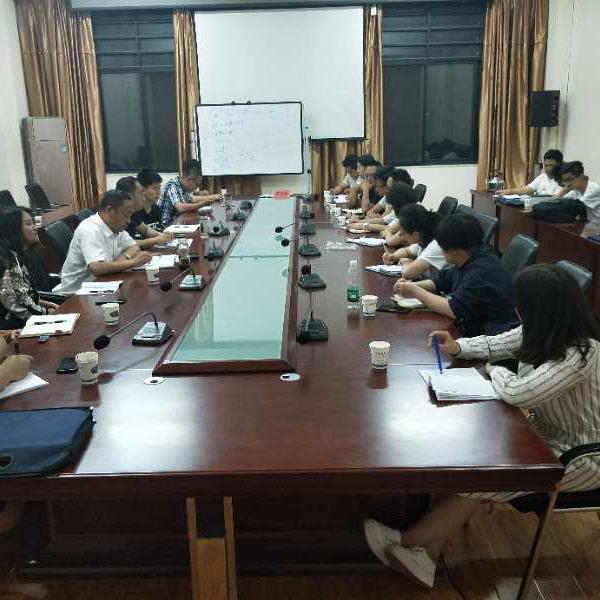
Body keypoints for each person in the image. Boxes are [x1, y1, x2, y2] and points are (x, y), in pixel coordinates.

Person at [364, 264, 600, 589]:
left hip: (584, 456)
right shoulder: (545, 329)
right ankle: (426, 554)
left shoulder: (581, 353)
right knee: (472, 458)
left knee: (487, 475)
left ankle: (405, 541)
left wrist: (494, 370)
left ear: (540, 309)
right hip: (544, 435)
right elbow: (497, 343)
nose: (517, 311)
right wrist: (458, 347)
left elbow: (519, 392)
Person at [394, 214, 518, 336]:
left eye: (442, 248)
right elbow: (442, 281)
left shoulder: (481, 271)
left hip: (488, 336)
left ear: (454, 251)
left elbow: (454, 310)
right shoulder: (470, 256)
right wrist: (412, 286)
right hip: (471, 326)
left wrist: (416, 292)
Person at [53, 190, 151, 294]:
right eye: (126, 215)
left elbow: (134, 246)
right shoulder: (90, 229)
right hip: (76, 293)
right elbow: (97, 268)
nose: (129, 221)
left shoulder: (115, 226)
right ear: (109, 210)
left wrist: (121, 260)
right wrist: (133, 262)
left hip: (102, 284)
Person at [0, 208, 59, 330]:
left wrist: (46, 304)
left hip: (25, 318)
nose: (35, 227)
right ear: (14, 230)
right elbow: (18, 303)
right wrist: (46, 314)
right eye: (28, 224)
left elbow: (25, 294)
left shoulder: (18, 257)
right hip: (13, 327)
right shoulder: (9, 262)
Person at [382, 204, 447, 280]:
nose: (399, 235)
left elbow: (407, 273)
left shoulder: (436, 245)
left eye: (402, 232)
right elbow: (407, 251)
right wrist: (393, 257)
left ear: (415, 234)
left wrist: (406, 262)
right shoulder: (422, 237)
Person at [158, 159, 220, 227]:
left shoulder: (182, 186)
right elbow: (180, 207)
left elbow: (192, 199)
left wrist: (216, 197)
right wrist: (202, 204)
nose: (197, 188)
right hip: (166, 226)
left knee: (202, 214)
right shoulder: (173, 186)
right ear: (190, 180)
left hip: (175, 221)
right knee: (194, 217)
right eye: (197, 185)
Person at [115, 176, 172, 249]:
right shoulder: (118, 216)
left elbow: (145, 229)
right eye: (141, 193)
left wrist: (162, 236)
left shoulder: (133, 213)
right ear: (129, 196)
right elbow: (125, 244)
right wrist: (155, 240)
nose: (144, 197)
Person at [497, 149, 563, 196]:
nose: (548, 168)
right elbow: (527, 190)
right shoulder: (542, 177)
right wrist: (508, 192)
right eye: (546, 165)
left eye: (551, 165)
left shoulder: (564, 180)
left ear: (559, 164)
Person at [555, 161, 600, 225]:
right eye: (565, 180)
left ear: (581, 176)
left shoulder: (594, 190)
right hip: (589, 225)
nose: (567, 183)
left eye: (570, 179)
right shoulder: (576, 190)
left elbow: (575, 208)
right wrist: (565, 189)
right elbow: (555, 201)